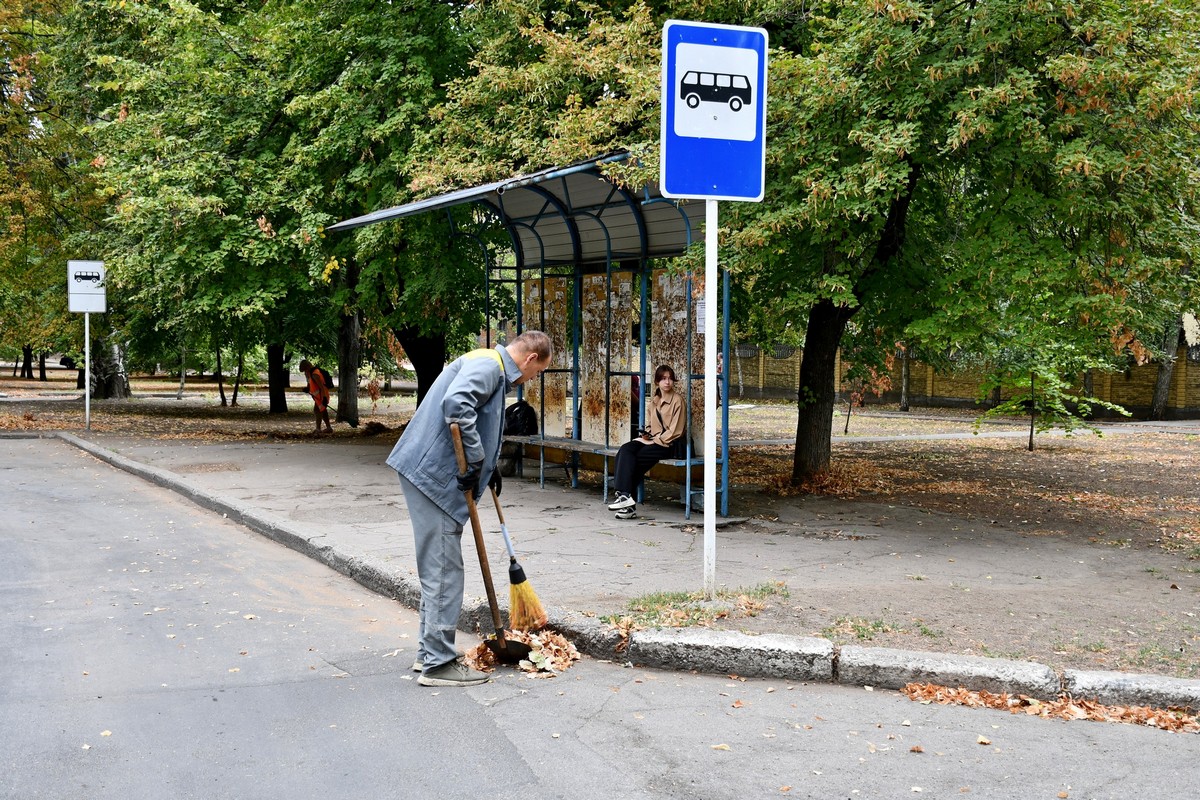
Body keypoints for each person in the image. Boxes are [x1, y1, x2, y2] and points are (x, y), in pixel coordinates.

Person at [386, 331, 552, 687]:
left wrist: (487, 471)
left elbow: (473, 414)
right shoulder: (489, 366)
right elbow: (457, 404)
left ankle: (428, 653)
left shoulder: (487, 364)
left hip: (430, 474)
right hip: (433, 476)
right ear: (530, 359)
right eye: (536, 373)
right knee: (445, 568)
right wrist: (476, 462)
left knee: (438, 566)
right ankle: (439, 664)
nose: (531, 380)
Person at [607, 364, 686, 520]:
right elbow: (651, 425)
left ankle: (626, 501)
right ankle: (624, 497)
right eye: (663, 379)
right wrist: (646, 437)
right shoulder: (654, 401)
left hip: (669, 444)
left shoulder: (678, 401)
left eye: (670, 378)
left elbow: (675, 431)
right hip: (654, 440)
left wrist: (654, 441)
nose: (667, 382)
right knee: (626, 449)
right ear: (657, 381)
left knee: (636, 459)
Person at [298, 360, 333, 434]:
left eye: (305, 370)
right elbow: (310, 383)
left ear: (307, 367)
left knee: (317, 410)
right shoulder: (309, 373)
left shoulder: (315, 374)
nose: (305, 372)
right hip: (317, 396)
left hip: (322, 395)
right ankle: (328, 427)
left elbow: (322, 387)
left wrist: (324, 398)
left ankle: (318, 429)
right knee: (323, 411)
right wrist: (307, 388)